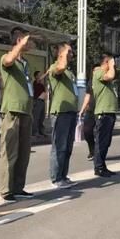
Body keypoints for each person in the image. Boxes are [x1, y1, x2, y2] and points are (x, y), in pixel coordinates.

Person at [0, 27, 34, 201]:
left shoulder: (25, 63)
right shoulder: (7, 57)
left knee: (23, 153)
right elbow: (8, 60)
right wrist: (20, 46)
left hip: (26, 111)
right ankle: (6, 189)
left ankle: (19, 187)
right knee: (10, 152)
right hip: (12, 110)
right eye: (26, 39)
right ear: (18, 40)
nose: (30, 43)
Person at [48, 43, 78, 188]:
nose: (72, 54)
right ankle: (56, 178)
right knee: (59, 146)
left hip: (71, 112)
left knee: (67, 147)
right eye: (69, 52)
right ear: (61, 54)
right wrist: (63, 56)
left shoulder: (70, 72)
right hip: (61, 113)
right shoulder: (55, 67)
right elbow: (60, 68)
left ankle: (63, 175)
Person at [92, 53, 118, 177]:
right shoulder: (98, 72)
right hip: (103, 112)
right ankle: (98, 167)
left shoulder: (104, 74)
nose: (114, 64)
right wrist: (111, 65)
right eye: (111, 62)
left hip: (109, 112)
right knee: (101, 141)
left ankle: (102, 165)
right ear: (106, 62)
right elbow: (111, 76)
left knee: (106, 142)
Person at [32, 70, 48, 136]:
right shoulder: (35, 83)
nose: (40, 76)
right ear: (36, 76)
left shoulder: (41, 85)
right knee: (36, 117)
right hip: (37, 101)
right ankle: (35, 132)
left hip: (42, 101)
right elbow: (40, 79)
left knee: (42, 117)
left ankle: (41, 131)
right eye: (39, 75)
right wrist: (46, 73)